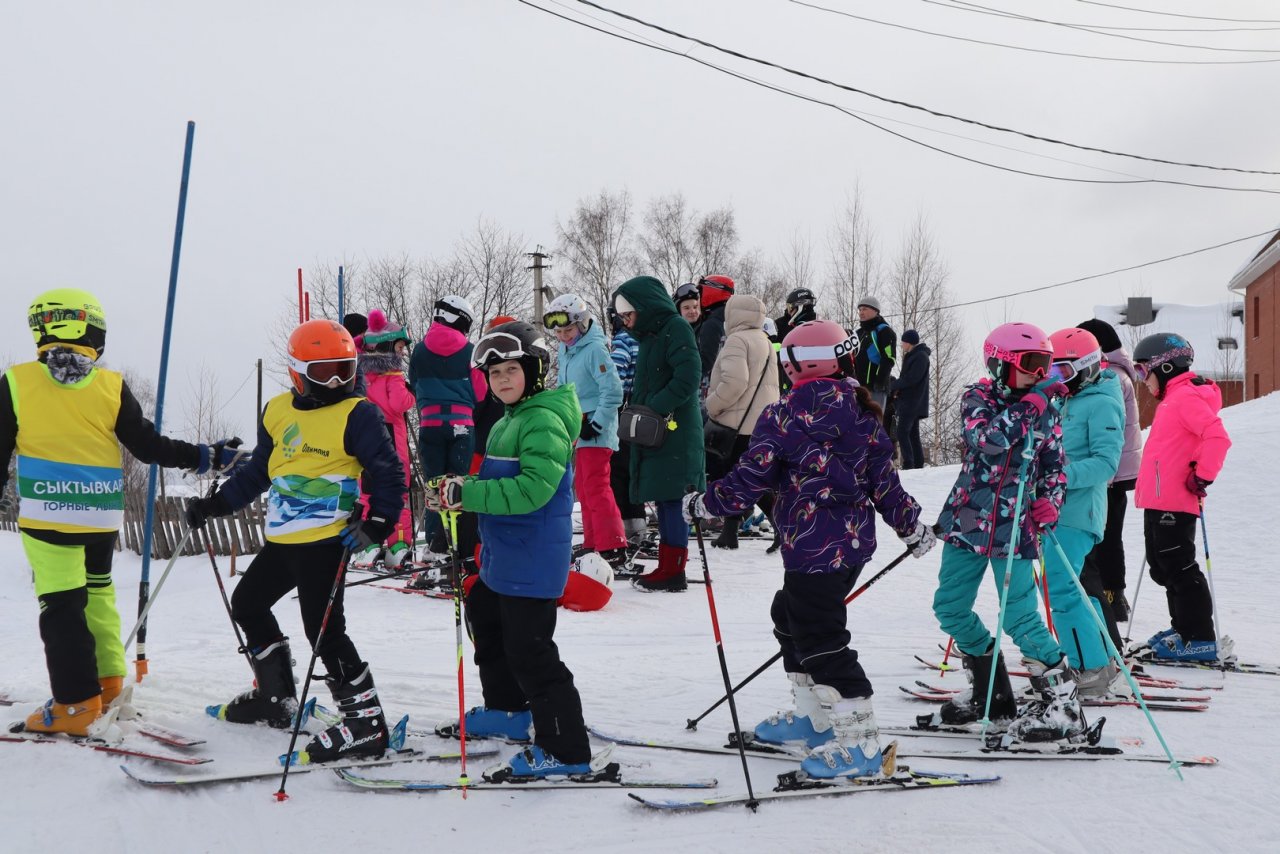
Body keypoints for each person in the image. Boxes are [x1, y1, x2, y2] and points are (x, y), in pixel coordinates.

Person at [683, 320, 936, 780]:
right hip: (851, 548)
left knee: (820, 637)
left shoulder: (783, 415)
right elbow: (886, 484)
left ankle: (860, 744)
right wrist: (909, 526)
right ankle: (815, 719)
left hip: (813, 548)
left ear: (796, 364)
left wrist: (705, 503)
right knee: (789, 616)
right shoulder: (864, 412)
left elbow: (748, 480)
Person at [1, 289, 242, 736]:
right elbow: (149, 446)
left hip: (49, 516)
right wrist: (205, 456)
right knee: (98, 595)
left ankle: (75, 705)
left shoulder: (16, 382)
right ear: (92, 332)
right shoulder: (110, 385)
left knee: (61, 606)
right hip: (99, 518)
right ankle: (109, 684)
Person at [186, 319, 405, 763]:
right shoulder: (277, 411)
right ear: (297, 372)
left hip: (327, 543)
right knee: (247, 604)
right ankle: (276, 698)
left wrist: (378, 523)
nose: (338, 381)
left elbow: (390, 473)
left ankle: (366, 726)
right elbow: (257, 473)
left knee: (323, 631)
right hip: (284, 541)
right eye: (325, 373)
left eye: (346, 369)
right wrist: (215, 505)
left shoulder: (357, 413)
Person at [429, 320, 596, 780]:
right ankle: (507, 709)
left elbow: (532, 491)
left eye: (510, 370)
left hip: (533, 558)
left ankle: (565, 748)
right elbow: (501, 482)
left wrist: (471, 497)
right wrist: (462, 486)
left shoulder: (542, 418)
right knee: (485, 617)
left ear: (535, 370)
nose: (501, 380)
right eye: (494, 373)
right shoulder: (512, 418)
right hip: (505, 557)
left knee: (531, 650)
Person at [930, 322, 1086, 744]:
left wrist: (1051, 500)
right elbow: (987, 439)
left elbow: (1055, 465)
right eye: (1032, 365)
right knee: (949, 608)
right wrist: (1031, 405)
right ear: (1000, 365)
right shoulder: (977, 398)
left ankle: (1064, 706)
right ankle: (992, 692)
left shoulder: (1046, 409)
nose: (1041, 374)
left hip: (1015, 527)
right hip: (968, 521)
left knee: (1019, 617)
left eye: (1046, 365)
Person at [1132, 332, 1233, 662]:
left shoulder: (1184, 398)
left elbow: (1218, 437)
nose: (1141, 379)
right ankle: (1184, 630)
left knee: (1178, 567)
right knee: (1163, 568)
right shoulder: (1174, 399)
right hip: (1160, 501)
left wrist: (1203, 475)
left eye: (1142, 370)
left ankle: (1199, 638)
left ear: (1163, 368)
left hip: (1174, 501)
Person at [1041, 328, 1126, 697]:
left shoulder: (1102, 401)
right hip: (1057, 509)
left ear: (1086, 366)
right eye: (1051, 372)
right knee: (1070, 589)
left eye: (1062, 371)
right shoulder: (1067, 399)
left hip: (1079, 511)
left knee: (1061, 589)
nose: (1056, 380)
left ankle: (1090, 668)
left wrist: (1059, 476)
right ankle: (1103, 659)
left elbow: (1106, 464)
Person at [613, 276, 705, 592]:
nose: (626, 320)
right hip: (658, 428)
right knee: (665, 498)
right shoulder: (650, 337)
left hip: (675, 429)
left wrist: (655, 406)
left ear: (645, 307)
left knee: (675, 499)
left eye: (629, 313)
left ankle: (674, 570)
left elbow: (689, 375)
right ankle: (667, 566)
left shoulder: (675, 328)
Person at [543, 293, 629, 568]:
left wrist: (599, 423)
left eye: (568, 329)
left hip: (596, 428)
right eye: (558, 332)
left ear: (581, 323)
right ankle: (593, 542)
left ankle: (613, 544)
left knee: (596, 486)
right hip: (578, 427)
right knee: (583, 486)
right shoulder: (567, 350)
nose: (564, 336)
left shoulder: (594, 349)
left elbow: (613, 390)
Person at [1076, 317, 1143, 629]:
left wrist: (1107, 474)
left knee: (1104, 535)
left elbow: (1108, 431)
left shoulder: (1109, 377)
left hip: (1109, 473)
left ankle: (1111, 597)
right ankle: (1110, 595)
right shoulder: (1115, 373)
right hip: (1114, 470)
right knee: (1106, 534)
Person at [409, 295, 486, 555]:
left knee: (433, 485)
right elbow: (481, 391)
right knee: (457, 485)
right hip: (462, 425)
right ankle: (459, 547)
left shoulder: (419, 350)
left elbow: (415, 383)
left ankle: (434, 545)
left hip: (430, 424)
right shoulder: (470, 351)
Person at [702, 294, 779, 550]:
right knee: (752, 478)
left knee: (733, 477)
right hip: (761, 424)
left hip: (736, 424)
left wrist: (712, 405)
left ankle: (735, 531)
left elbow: (735, 382)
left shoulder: (736, 340)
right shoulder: (765, 341)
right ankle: (733, 531)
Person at [354, 309, 416, 569]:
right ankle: (398, 545)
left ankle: (369, 545)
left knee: (368, 494)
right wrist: (410, 392)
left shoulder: (362, 378)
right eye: (400, 347)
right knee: (397, 493)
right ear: (388, 346)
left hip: (367, 447)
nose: (402, 352)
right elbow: (399, 404)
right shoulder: (393, 377)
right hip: (392, 445)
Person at [607, 308, 649, 546]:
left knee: (618, 469)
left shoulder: (623, 339)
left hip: (624, 412)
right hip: (644, 413)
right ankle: (638, 523)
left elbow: (616, 377)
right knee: (634, 469)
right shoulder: (645, 339)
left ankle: (623, 524)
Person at [890, 329, 930, 469]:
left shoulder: (920, 357)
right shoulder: (914, 355)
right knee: (913, 434)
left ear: (909, 342)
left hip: (912, 401)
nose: (901, 345)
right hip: (911, 401)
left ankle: (909, 463)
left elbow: (912, 378)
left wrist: (893, 385)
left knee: (902, 432)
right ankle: (917, 464)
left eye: (903, 342)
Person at [853, 297, 897, 412]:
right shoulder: (858, 333)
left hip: (876, 388)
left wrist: (880, 381)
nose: (861, 312)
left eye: (865, 309)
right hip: (858, 387)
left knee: (874, 423)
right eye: (860, 309)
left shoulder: (884, 331)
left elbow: (889, 358)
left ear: (876, 311)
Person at [696, 275, 735, 389]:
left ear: (711, 292)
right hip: (727, 388)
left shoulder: (712, 324)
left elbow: (705, 364)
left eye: (700, 292)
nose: (698, 297)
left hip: (709, 390)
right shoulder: (731, 319)